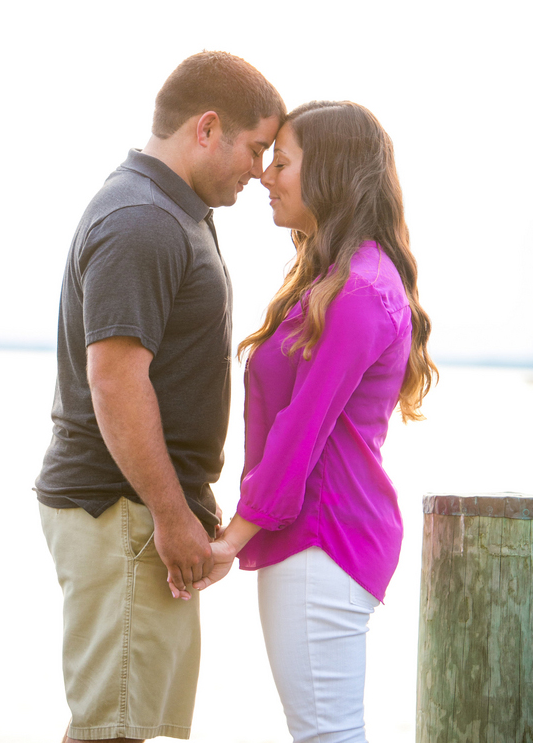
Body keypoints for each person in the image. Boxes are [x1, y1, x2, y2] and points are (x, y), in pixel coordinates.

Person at [35, 51, 286, 743]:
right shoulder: (142, 219)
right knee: (111, 729)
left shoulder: (174, 210)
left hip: (139, 514)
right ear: (208, 128)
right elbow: (115, 381)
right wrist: (172, 519)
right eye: (257, 147)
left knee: (126, 725)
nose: (261, 170)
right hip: (122, 511)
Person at [176, 100, 438, 743]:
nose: (266, 175)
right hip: (317, 538)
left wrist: (229, 541)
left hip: (325, 539)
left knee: (327, 735)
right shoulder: (335, 280)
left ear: (331, 175)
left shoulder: (359, 291)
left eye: (283, 163)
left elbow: (301, 428)